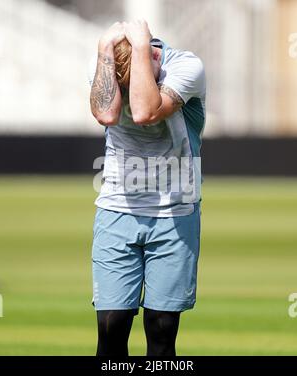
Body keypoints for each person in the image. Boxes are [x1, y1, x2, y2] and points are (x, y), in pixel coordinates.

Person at [88, 19, 206, 356]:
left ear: (152, 56)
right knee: (110, 328)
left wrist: (140, 47)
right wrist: (102, 50)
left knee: (161, 330)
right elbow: (105, 114)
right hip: (115, 211)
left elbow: (144, 111)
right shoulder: (109, 62)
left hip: (175, 213)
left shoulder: (186, 66)